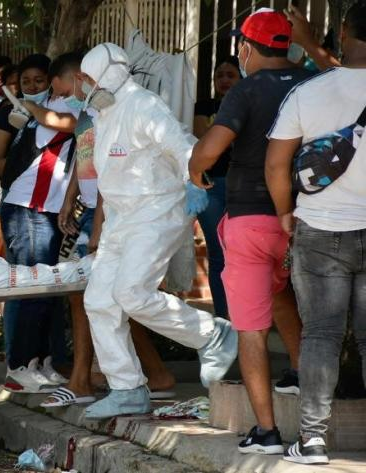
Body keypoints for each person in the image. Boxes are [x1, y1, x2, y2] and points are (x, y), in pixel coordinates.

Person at [76, 44, 237, 419]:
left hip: (156, 209)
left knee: (132, 293)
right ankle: (127, 387)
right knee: (99, 300)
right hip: (122, 216)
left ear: (108, 73)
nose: (82, 86)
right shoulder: (103, 112)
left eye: (86, 78)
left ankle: (211, 334)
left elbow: (181, 143)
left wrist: (194, 179)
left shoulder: (143, 105)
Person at [189, 9, 310, 454]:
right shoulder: (310, 81)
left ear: (245, 47)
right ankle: (298, 371)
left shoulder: (246, 89)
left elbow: (210, 150)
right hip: (303, 218)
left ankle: (267, 432)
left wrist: (194, 169)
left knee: (251, 329)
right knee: (280, 295)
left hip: (250, 219)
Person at [266, 2, 366, 464]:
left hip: (321, 227)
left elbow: (276, 165)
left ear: (344, 31)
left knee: (321, 335)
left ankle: (312, 441)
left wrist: (287, 214)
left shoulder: (309, 92)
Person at [0, 52, 78, 394]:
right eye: (26, 83)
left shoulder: (61, 110)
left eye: (39, 81)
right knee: (33, 290)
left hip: (47, 213)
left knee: (46, 294)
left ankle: (41, 362)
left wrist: (28, 107)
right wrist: (26, 108)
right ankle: (20, 366)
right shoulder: (38, 113)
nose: (33, 88)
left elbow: (64, 123)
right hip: (25, 209)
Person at [192, 56, 241, 318]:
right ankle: (224, 320)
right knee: (218, 253)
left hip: (242, 187)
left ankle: (244, 317)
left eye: (230, 75)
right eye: (219, 75)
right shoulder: (205, 105)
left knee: (241, 253)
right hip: (210, 186)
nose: (223, 80)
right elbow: (202, 139)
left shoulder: (249, 103)